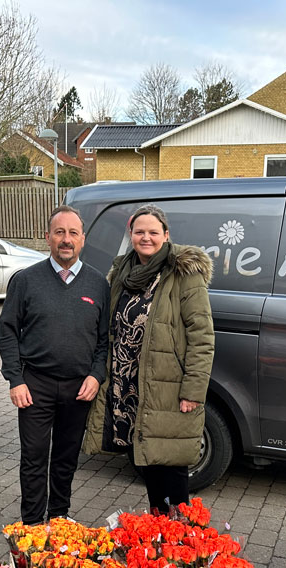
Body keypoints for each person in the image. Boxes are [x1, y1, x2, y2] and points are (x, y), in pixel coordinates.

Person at [83, 204, 215, 513]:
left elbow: (202, 336)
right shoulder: (121, 273)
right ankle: (157, 541)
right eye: (139, 232)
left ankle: (182, 546)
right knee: (149, 462)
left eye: (153, 232)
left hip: (166, 386)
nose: (146, 238)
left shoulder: (183, 273)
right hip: (130, 385)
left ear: (166, 235)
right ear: (130, 235)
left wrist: (192, 391)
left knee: (172, 466)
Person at [0, 205, 109, 525]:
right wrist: (15, 379)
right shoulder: (25, 281)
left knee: (65, 458)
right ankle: (32, 524)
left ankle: (59, 516)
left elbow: (104, 340)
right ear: (47, 237)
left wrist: (96, 374)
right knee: (33, 459)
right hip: (35, 386)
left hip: (79, 388)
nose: (66, 239)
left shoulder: (98, 284)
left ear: (83, 240)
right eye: (59, 232)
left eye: (73, 233)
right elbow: (7, 331)